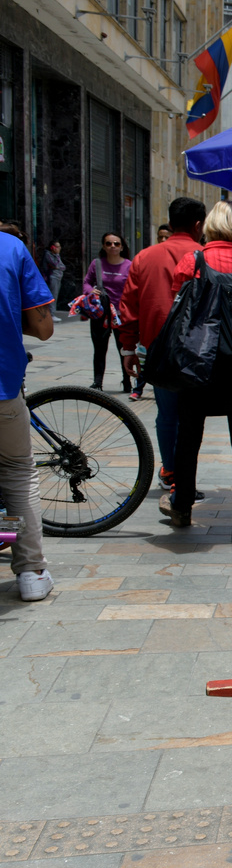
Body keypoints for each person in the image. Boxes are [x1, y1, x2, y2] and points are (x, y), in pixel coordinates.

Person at [162, 201, 232, 546]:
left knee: (189, 438)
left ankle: (182, 508)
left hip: (198, 364)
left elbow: (180, 317)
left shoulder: (191, 262)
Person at [119, 197, 207, 496]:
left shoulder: (144, 257)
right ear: (199, 225)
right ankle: (185, 479)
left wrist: (128, 348)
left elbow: (128, 306)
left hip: (156, 349)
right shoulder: (204, 255)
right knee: (190, 417)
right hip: (197, 351)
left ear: (170, 223)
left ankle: (171, 470)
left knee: (167, 414)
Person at [0, 221, 56, 601]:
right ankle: (32, 572)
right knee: (19, 471)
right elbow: (43, 328)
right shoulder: (11, 248)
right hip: (2, 385)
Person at [80, 232, 132, 393]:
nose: (113, 246)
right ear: (103, 246)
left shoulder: (129, 265)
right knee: (100, 349)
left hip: (120, 314)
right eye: (109, 243)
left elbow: (133, 288)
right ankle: (97, 382)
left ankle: (127, 381)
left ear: (122, 246)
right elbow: (87, 282)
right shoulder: (97, 264)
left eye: (116, 244)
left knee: (123, 349)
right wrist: (90, 291)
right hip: (100, 313)